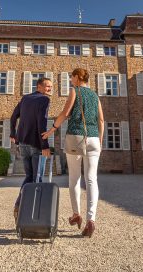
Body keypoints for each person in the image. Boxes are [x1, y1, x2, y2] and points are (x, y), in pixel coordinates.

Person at [42, 68, 104, 238]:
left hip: (76, 136)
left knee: (74, 178)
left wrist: (52, 130)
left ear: (77, 78)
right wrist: (100, 140)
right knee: (92, 179)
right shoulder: (95, 96)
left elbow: (65, 113)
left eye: (71, 77)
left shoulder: (75, 91)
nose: (70, 80)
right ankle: (92, 219)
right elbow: (101, 120)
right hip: (93, 139)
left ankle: (76, 215)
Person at [10, 77, 52, 220]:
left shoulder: (25, 99)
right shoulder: (44, 100)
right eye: (47, 86)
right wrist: (45, 145)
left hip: (22, 144)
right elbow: (42, 122)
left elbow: (13, 116)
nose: (50, 89)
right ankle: (33, 214)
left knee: (29, 177)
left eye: (51, 87)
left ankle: (19, 204)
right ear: (39, 86)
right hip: (35, 145)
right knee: (37, 178)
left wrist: (12, 133)